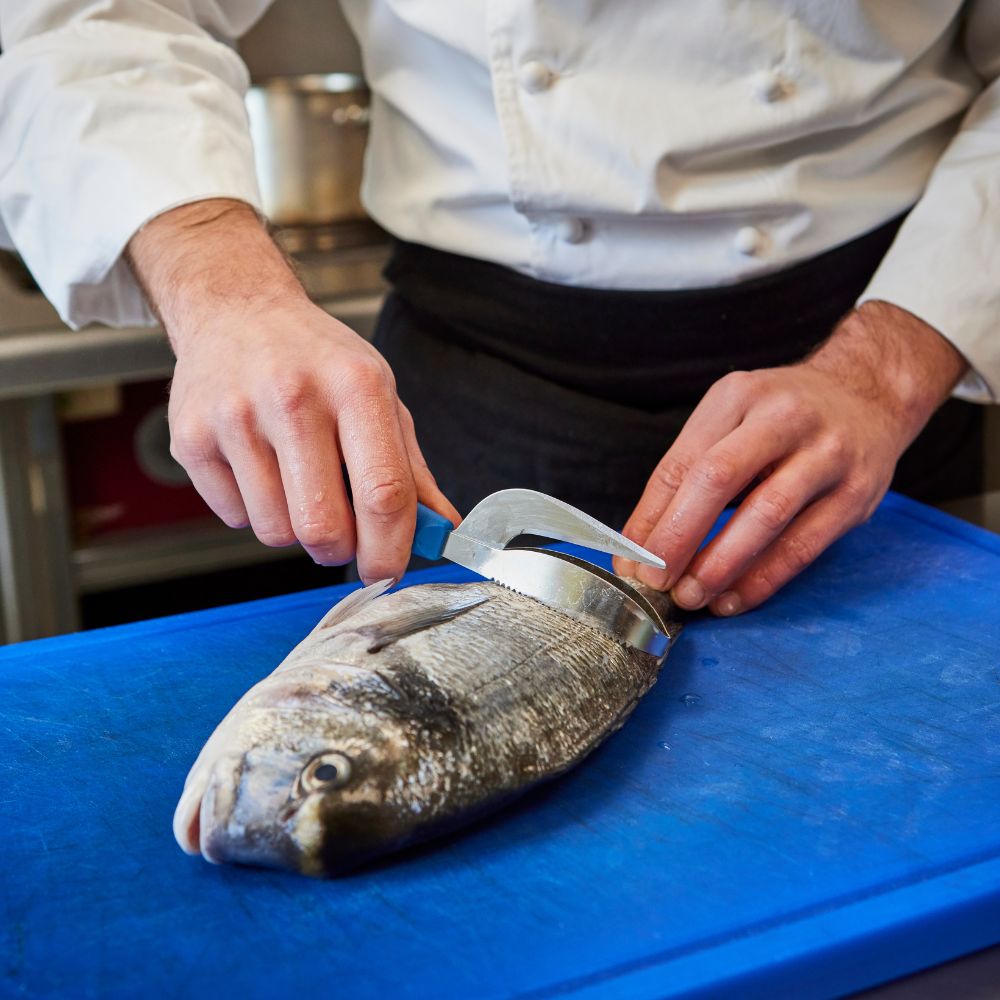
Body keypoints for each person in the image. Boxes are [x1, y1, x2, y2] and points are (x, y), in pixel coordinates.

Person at [0, 2, 996, 617]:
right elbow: (94, 14)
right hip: (477, 383)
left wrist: (890, 367)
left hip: (885, 355)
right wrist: (225, 293)